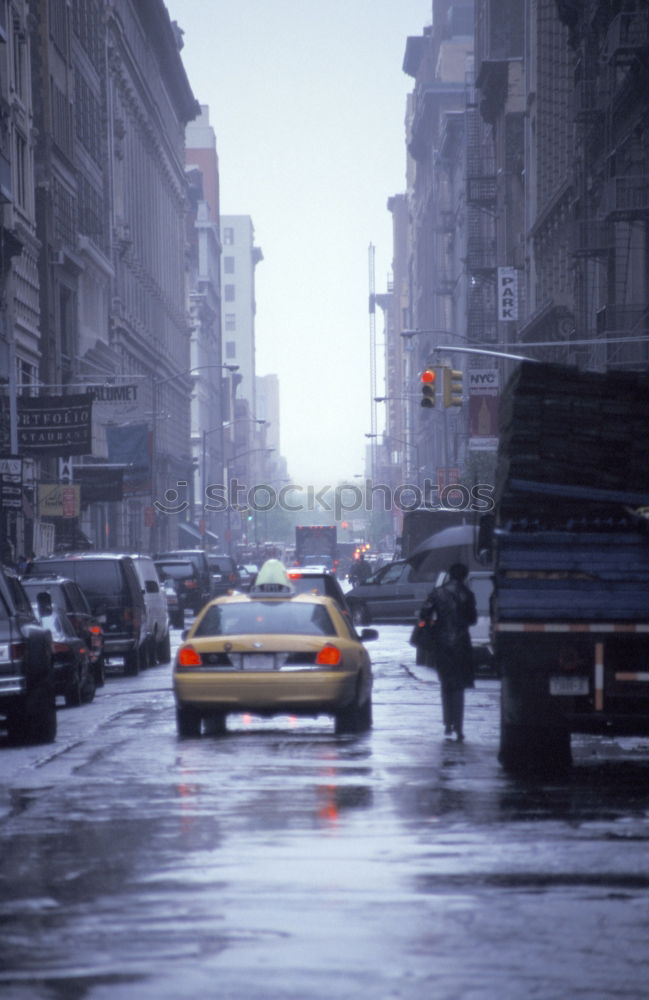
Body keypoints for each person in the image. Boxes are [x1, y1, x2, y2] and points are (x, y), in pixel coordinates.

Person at [418, 562, 477, 741]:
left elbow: (424, 614)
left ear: (450, 575)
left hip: (442, 644)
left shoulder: (437, 593)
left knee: (446, 684)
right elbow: (472, 619)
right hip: (461, 644)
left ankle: (448, 724)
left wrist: (433, 625)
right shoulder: (468, 594)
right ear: (464, 576)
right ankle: (458, 726)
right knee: (458, 685)